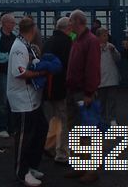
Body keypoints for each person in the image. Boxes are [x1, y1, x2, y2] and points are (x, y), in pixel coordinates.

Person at [6, 17, 49, 187]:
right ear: (33, 29)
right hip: (22, 99)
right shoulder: (19, 47)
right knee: (25, 136)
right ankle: (21, 172)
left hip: (32, 98)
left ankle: (31, 165)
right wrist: (40, 73)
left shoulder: (26, 45)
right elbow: (20, 71)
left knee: (40, 129)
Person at [63, 9, 101, 184]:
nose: (68, 24)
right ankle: (80, 166)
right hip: (74, 91)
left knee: (85, 131)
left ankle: (91, 170)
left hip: (82, 92)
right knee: (75, 130)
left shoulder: (90, 41)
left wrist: (88, 92)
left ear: (78, 22)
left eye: (70, 21)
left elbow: (92, 68)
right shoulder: (77, 39)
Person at [43, 16, 72, 165]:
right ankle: (62, 153)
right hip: (61, 86)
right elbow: (70, 66)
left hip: (48, 86)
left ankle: (50, 145)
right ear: (67, 28)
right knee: (63, 118)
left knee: (54, 117)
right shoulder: (67, 43)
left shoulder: (48, 41)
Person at [0, 13, 17, 138]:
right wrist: (9, 57)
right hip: (2, 72)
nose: (14, 25)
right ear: (5, 23)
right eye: (12, 23)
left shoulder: (15, 36)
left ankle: (12, 127)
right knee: (3, 100)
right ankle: (1, 127)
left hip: (14, 73)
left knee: (13, 100)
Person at [96, 27, 121, 127]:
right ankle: (102, 119)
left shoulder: (111, 46)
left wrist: (114, 51)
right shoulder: (95, 47)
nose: (106, 37)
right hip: (101, 79)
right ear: (98, 37)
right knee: (101, 101)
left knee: (111, 100)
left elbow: (118, 58)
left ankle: (111, 118)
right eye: (104, 35)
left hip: (111, 78)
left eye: (107, 35)